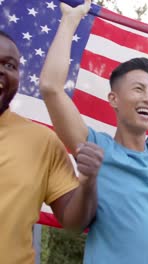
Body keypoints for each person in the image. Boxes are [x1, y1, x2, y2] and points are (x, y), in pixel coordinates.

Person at [39, 0, 148, 263]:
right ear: (113, 99)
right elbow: (51, 88)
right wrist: (70, 20)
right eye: (138, 89)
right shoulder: (95, 147)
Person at [0, 30, 103, 264]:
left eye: (10, 65)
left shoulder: (43, 141)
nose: (2, 70)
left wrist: (88, 183)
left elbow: (74, 222)